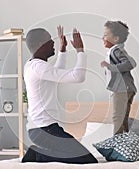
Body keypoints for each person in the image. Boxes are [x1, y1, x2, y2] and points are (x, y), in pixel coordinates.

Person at [22, 26, 98, 164]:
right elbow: (78, 77)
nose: (53, 42)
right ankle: (37, 156)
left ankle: (40, 154)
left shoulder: (32, 65)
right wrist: (80, 50)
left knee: (78, 157)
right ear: (41, 44)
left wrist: (62, 51)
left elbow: (55, 74)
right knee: (88, 161)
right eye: (50, 40)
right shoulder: (39, 67)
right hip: (45, 130)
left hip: (41, 130)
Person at [100, 21, 137, 135]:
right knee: (123, 117)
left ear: (115, 39)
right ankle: (124, 140)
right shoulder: (114, 51)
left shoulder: (116, 50)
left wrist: (110, 67)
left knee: (118, 117)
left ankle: (117, 141)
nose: (103, 37)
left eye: (106, 35)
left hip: (122, 89)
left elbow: (131, 63)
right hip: (126, 88)